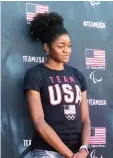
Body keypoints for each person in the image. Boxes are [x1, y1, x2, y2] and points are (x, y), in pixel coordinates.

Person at [24, 12, 91, 158]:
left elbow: (85, 119)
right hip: (46, 152)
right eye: (61, 46)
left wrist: (84, 149)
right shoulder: (35, 75)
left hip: (77, 152)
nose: (66, 50)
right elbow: (39, 122)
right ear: (47, 48)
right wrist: (69, 155)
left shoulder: (77, 75)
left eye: (69, 45)